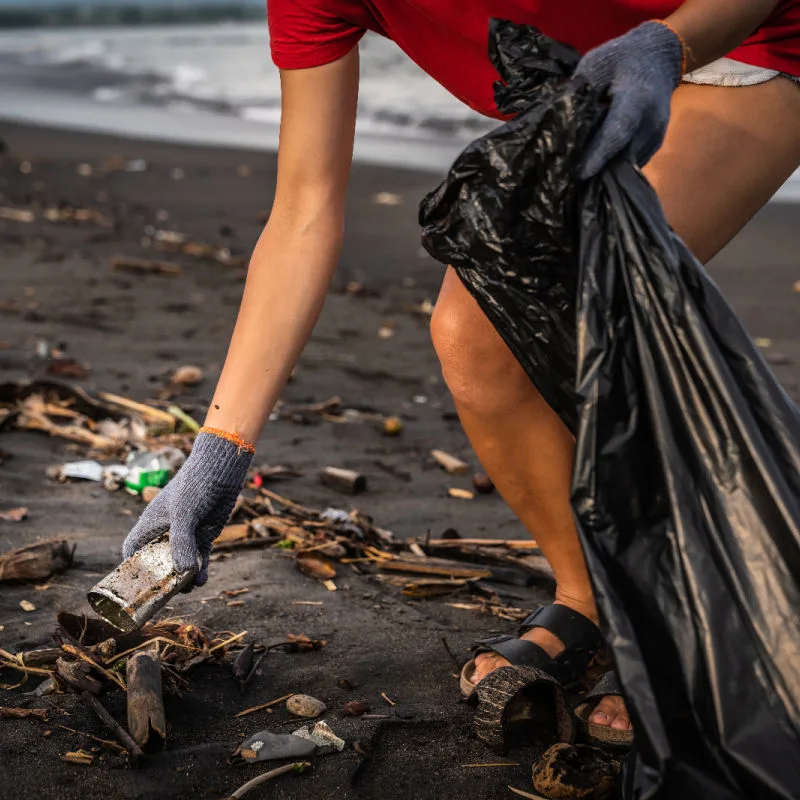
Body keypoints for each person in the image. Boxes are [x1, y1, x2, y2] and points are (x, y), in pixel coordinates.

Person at [122, 0, 800, 740]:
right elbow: (303, 212)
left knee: (577, 285)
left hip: (748, 47)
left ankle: (728, 619)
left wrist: (666, 44)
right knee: (472, 336)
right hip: (592, 88)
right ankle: (589, 595)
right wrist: (220, 453)